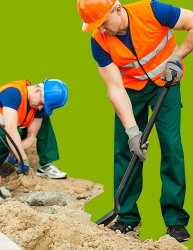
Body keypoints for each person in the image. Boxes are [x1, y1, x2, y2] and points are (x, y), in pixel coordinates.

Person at [77, 0, 192, 242]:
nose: (102, 29)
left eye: (104, 22)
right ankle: (127, 217)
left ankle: (175, 221)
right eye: (96, 26)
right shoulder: (99, 41)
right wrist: (132, 132)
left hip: (166, 80)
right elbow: (115, 87)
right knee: (126, 150)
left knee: (171, 146)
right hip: (131, 89)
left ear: (117, 9)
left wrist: (177, 57)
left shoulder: (153, 10)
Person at [0, 79, 68, 183]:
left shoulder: (38, 104)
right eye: (41, 104)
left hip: (4, 132)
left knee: (44, 116)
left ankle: (45, 165)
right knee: (9, 133)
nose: (40, 108)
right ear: (38, 91)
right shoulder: (13, 93)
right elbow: (10, 130)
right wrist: (22, 158)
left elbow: (31, 136)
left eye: (44, 106)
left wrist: (16, 150)